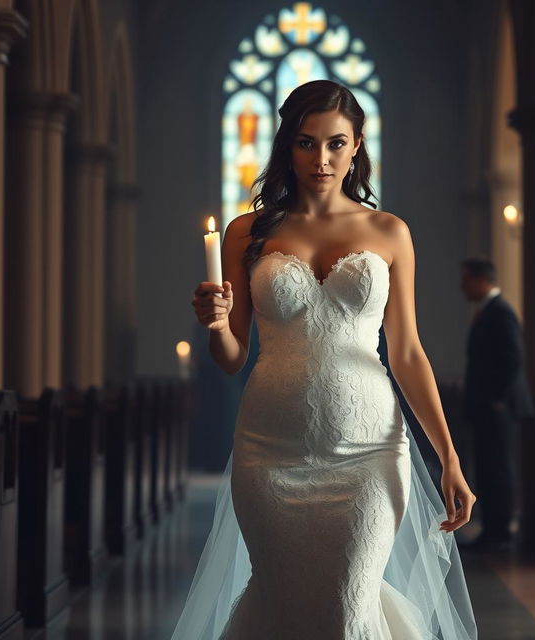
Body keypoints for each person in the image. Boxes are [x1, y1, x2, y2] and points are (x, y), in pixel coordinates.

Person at [177, 79, 478, 639]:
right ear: (286, 145)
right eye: (306, 142)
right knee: (285, 602)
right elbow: (230, 357)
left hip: (368, 450)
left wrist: (449, 458)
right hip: (270, 450)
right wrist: (215, 325)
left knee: (348, 603)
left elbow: (408, 352)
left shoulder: (389, 232)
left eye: (336, 144)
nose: (321, 159)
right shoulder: (247, 234)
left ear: (357, 145)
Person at [459, 258, 535, 553]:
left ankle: (500, 533)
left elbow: (513, 358)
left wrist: (496, 399)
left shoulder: (501, 312)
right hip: (488, 407)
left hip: (498, 408)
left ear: (481, 280)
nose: (462, 287)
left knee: (499, 468)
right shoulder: (489, 312)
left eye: (466, 280)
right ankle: (492, 531)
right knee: (488, 467)